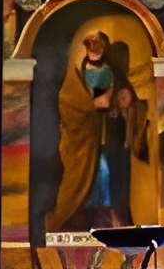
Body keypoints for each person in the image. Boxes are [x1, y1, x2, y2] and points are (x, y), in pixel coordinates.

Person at [47, 24, 144, 242]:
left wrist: (121, 105)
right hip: (83, 140)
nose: (94, 51)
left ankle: (107, 217)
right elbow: (72, 101)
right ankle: (81, 217)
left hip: (107, 139)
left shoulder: (110, 73)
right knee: (88, 176)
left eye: (98, 48)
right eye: (91, 47)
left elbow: (116, 102)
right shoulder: (77, 75)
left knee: (105, 174)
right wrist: (91, 105)